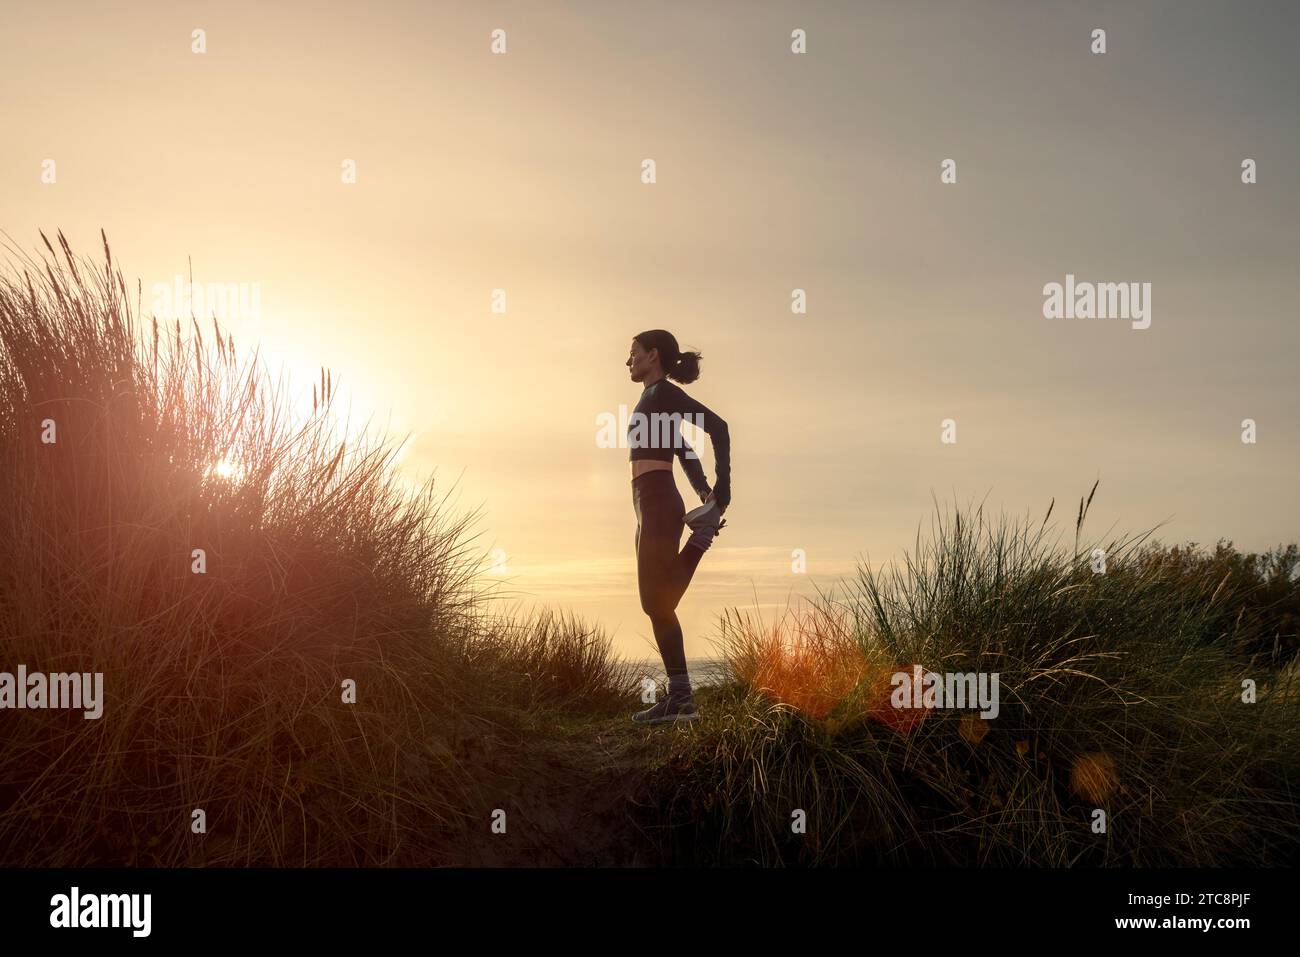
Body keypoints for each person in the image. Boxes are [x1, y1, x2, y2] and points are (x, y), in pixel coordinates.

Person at [625, 330, 730, 725]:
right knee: (655, 603)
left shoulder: (663, 393)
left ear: (653, 355)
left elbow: (718, 428)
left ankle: (681, 698)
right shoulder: (651, 400)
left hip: (658, 502)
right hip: (647, 505)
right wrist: (705, 493)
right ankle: (681, 697)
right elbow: (685, 451)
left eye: (633, 352)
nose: (628, 360)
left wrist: (723, 492)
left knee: (657, 603)